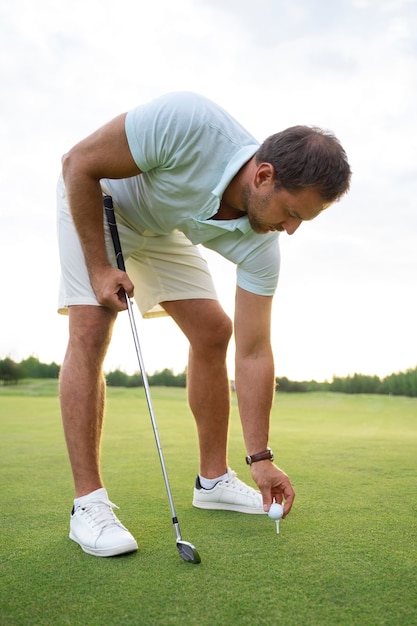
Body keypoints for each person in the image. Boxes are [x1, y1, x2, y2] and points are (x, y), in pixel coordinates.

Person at [57, 91, 351, 557]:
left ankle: (213, 480)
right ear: (263, 175)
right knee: (92, 329)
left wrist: (262, 458)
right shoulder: (189, 122)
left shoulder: (262, 247)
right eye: (292, 213)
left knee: (214, 331)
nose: (291, 230)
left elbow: (255, 351)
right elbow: (77, 163)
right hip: (102, 200)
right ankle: (87, 504)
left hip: (162, 226)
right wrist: (98, 267)